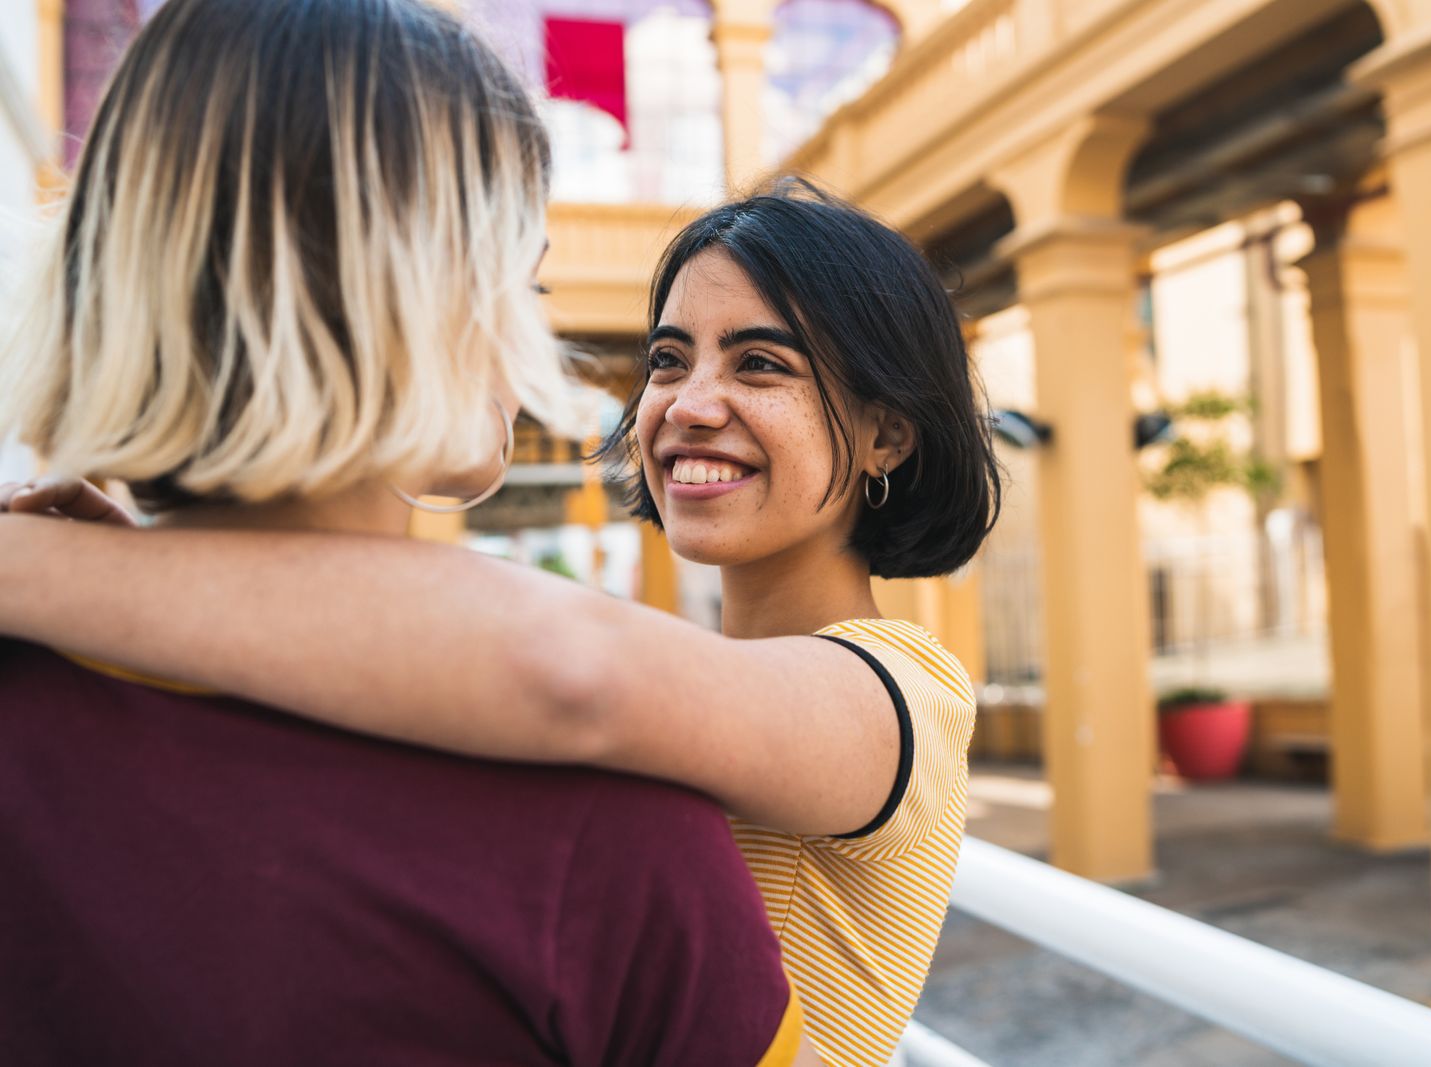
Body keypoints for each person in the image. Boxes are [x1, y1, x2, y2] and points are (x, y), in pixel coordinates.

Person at [1, 140, 1000, 1067]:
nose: (688, 403)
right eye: (666, 358)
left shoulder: (906, 693)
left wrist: (43, 570)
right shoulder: (703, 677)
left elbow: (566, 669)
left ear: (888, 437)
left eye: (760, 362)